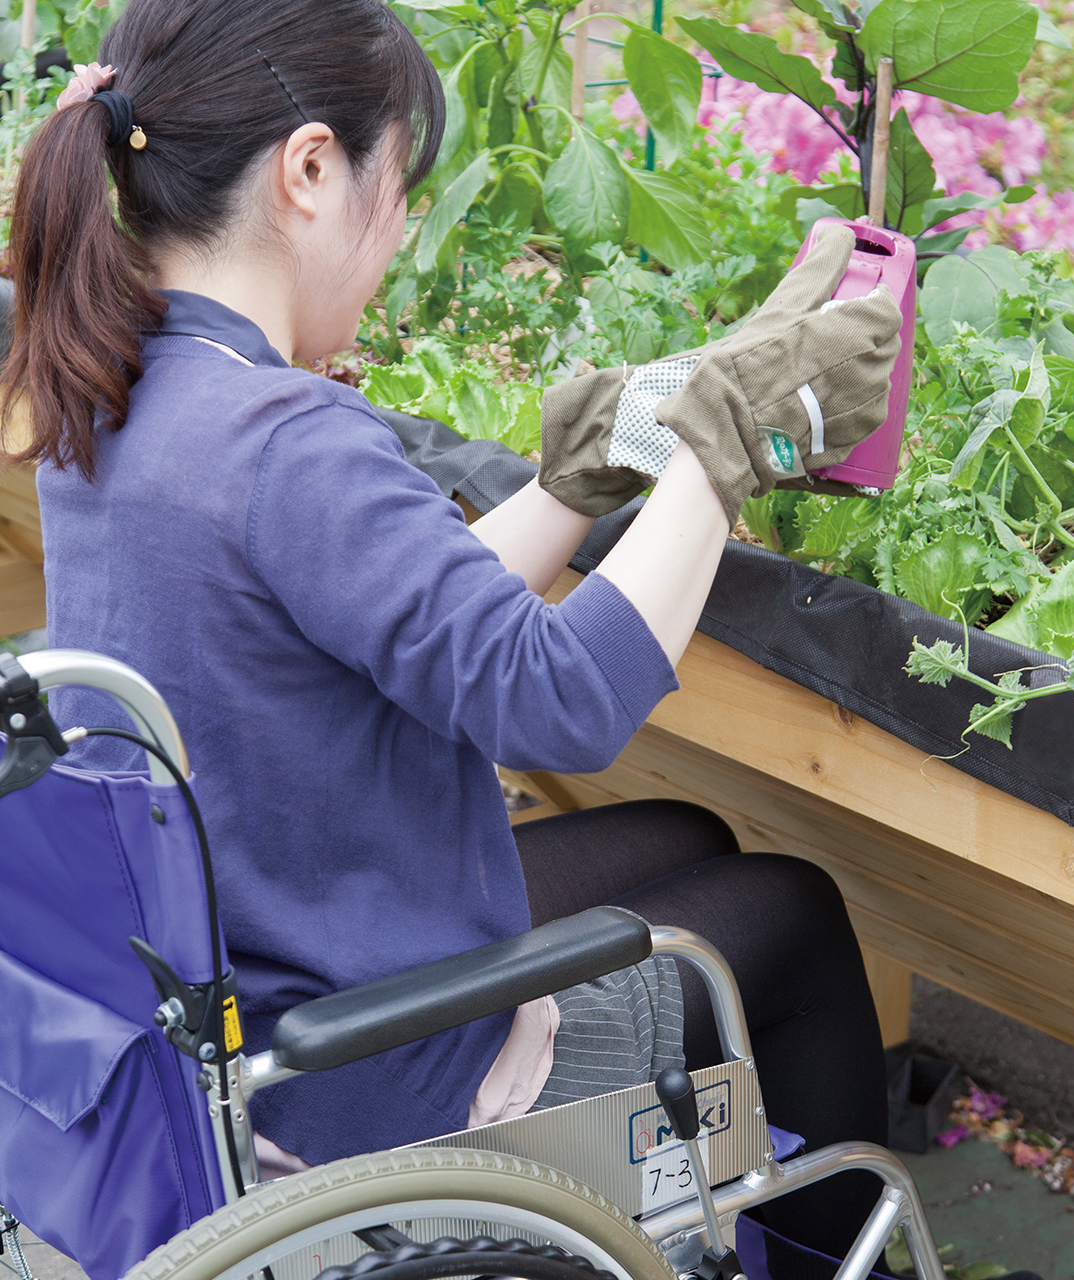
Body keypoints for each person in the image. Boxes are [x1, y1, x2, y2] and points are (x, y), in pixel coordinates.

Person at [2, 2, 912, 1275]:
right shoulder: (286, 441)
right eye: (399, 190)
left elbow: (386, 624)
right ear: (310, 169)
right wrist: (729, 443)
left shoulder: (111, 386)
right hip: (362, 1083)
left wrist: (578, 483)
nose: (399, 231)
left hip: (235, 990)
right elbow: (561, 699)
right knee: (788, 912)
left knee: (687, 840)